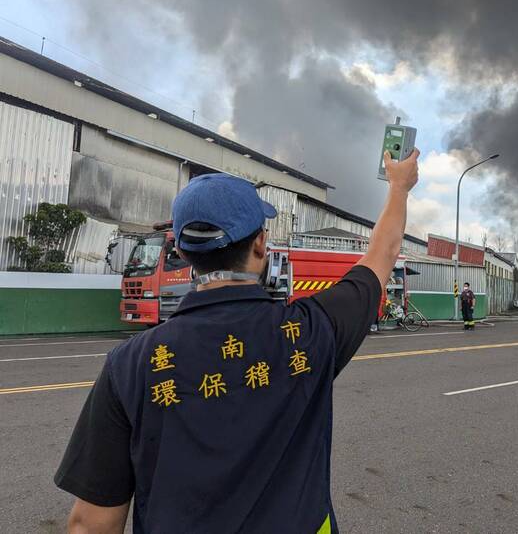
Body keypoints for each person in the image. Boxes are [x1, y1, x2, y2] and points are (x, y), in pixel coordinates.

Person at [54, 149, 419, 534]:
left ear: (181, 250)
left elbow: (91, 524)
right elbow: (382, 255)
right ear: (261, 244)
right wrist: (399, 186)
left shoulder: (129, 364)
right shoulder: (312, 331)